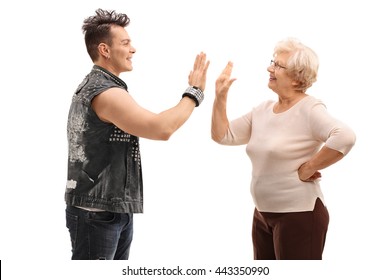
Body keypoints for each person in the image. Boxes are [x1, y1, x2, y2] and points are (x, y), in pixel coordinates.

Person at [65, 9, 209, 260]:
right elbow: (161, 128)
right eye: (125, 43)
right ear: (104, 50)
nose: (133, 49)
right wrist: (194, 92)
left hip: (108, 210)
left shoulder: (100, 87)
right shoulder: (105, 93)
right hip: (97, 214)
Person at [211, 38, 356, 260]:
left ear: (298, 79)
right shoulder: (263, 110)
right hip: (262, 214)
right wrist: (220, 97)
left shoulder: (309, 109)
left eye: (278, 65)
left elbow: (345, 136)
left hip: (300, 216)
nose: (270, 68)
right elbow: (223, 135)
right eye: (273, 62)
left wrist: (309, 167)